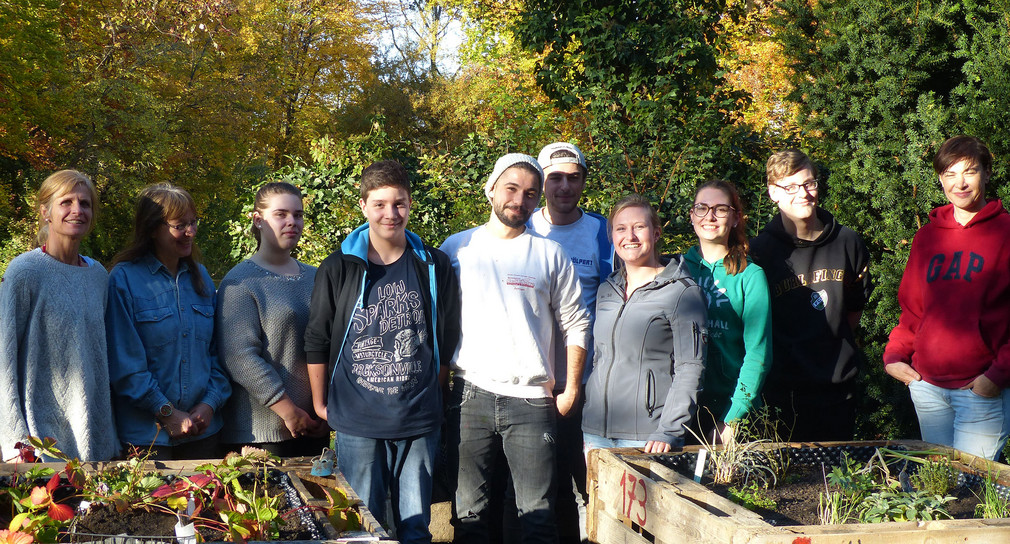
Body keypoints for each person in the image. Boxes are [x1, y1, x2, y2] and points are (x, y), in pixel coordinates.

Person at [305, 160, 460, 544]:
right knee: (362, 525)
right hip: (357, 420)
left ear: (410, 204)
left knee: (415, 527)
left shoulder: (433, 265)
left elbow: (446, 335)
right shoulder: (339, 267)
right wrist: (321, 404)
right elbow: (317, 338)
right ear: (363, 206)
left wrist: (435, 395)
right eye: (380, 204)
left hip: (418, 420)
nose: (390, 214)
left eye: (399, 203)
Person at [440, 153, 591, 544]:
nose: (519, 200)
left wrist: (570, 386)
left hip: (532, 401)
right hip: (469, 393)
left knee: (537, 517)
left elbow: (576, 323)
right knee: (469, 513)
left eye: (529, 193)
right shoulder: (456, 248)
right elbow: (435, 320)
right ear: (490, 189)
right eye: (511, 189)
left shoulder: (549, 254)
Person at [884, 136, 1010, 460]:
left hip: (981, 390)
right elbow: (912, 311)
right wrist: (895, 356)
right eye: (950, 174)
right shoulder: (926, 238)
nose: (960, 183)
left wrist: (997, 376)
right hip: (928, 388)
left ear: (986, 172)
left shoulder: (1005, 233)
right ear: (940, 179)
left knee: (973, 492)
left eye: (969, 171)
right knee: (938, 488)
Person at [750, 149, 873, 442]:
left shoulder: (847, 241)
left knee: (839, 481)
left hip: (837, 390)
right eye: (790, 187)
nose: (803, 194)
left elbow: (854, 309)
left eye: (809, 183)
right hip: (782, 393)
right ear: (773, 193)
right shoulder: (760, 252)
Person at [0, 170, 119, 462]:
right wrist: (15, 441)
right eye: (66, 202)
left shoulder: (98, 276)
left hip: (92, 436)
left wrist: (108, 434)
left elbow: (100, 361)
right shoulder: (24, 272)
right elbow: (4, 360)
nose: (77, 210)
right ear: (46, 212)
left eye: (85, 203)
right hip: (40, 440)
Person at [106, 183, 231, 460]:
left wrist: (210, 404)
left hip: (204, 435)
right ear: (152, 228)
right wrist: (166, 413)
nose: (191, 232)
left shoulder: (202, 278)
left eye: (193, 223)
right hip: (147, 440)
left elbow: (216, 354)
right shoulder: (124, 280)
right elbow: (125, 366)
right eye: (179, 225)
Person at [527, 142, 613, 544]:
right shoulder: (523, 227)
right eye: (555, 177)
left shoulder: (603, 233)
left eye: (573, 177)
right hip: (532, 379)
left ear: (583, 180)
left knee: (593, 480)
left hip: (591, 380)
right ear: (541, 181)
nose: (564, 186)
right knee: (549, 481)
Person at [582, 194, 708, 453]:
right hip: (595, 434)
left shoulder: (682, 292)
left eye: (639, 227)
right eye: (621, 228)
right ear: (612, 237)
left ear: (657, 233)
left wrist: (670, 430)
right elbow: (600, 356)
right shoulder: (607, 289)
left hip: (648, 438)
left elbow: (691, 367)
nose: (630, 236)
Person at [217, 182, 328, 457]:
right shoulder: (241, 281)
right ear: (258, 220)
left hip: (315, 427)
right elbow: (239, 357)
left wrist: (324, 410)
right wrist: (288, 411)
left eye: (298, 215)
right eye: (281, 214)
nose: (292, 222)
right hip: (263, 436)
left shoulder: (318, 276)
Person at [684, 180, 773, 444]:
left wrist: (733, 418)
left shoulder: (750, 275)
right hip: (678, 411)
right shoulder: (676, 269)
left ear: (735, 218)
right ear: (692, 216)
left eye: (720, 209)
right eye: (702, 208)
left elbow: (758, 353)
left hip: (729, 411)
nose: (710, 216)